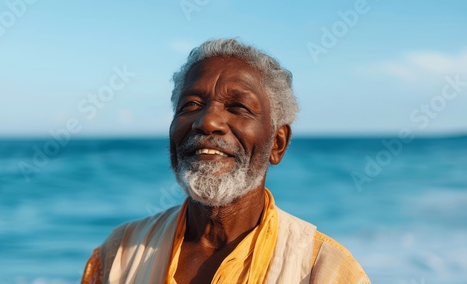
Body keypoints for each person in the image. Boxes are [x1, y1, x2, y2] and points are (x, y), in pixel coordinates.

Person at [81, 38, 371, 284]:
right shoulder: (119, 254)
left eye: (238, 107)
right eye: (191, 105)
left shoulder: (324, 270)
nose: (207, 122)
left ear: (277, 143)